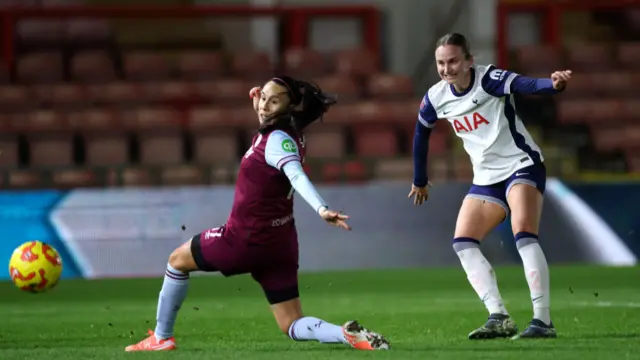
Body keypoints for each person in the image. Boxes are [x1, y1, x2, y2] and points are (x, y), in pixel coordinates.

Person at [125, 76, 390, 352]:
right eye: (263, 97)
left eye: (273, 101)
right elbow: (269, 114)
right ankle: (346, 335)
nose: (264, 105)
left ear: (289, 108)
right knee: (291, 322)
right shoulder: (290, 131)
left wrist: (322, 208)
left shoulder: (276, 141)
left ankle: (162, 337)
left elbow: (297, 176)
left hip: (244, 238)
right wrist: (262, 97)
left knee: (177, 260)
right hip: (280, 244)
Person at [408, 33, 572, 340]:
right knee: (463, 242)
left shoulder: (490, 79)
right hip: (486, 177)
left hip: (522, 164)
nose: (447, 68)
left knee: (523, 234)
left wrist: (553, 85)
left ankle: (542, 321)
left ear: (469, 61)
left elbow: (527, 85)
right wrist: (419, 179)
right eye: (441, 63)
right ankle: (499, 315)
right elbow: (420, 135)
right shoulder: (436, 96)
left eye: (454, 60)